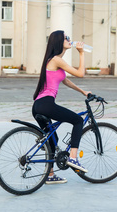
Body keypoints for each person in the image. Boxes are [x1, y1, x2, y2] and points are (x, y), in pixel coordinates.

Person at [32, 30, 91, 184]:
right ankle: (73, 158)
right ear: (59, 41)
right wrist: (82, 53)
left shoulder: (55, 62)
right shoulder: (56, 60)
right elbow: (80, 74)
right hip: (46, 104)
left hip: (38, 105)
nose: (69, 40)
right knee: (78, 121)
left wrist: (83, 92)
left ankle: (50, 175)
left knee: (52, 138)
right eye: (66, 38)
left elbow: (66, 81)